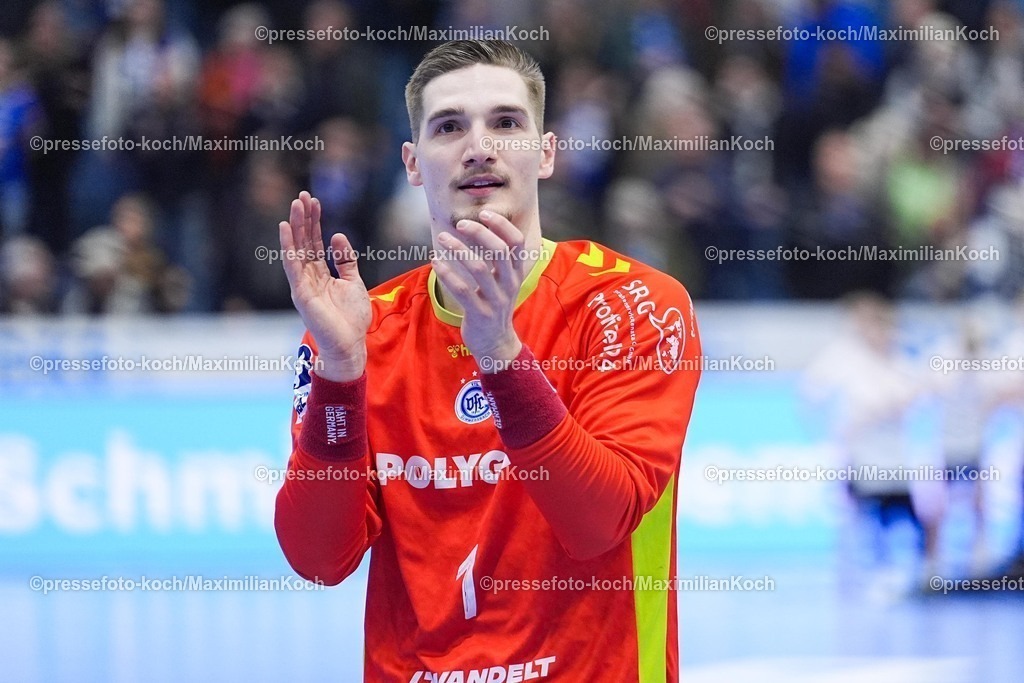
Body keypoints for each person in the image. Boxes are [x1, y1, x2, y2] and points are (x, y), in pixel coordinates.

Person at [274, 40, 702, 683]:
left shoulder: (635, 305)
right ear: (413, 164)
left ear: (546, 152)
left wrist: (500, 354)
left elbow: (598, 522)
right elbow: (317, 559)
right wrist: (339, 371)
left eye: (506, 122)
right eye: (449, 127)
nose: (479, 146)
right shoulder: (360, 329)